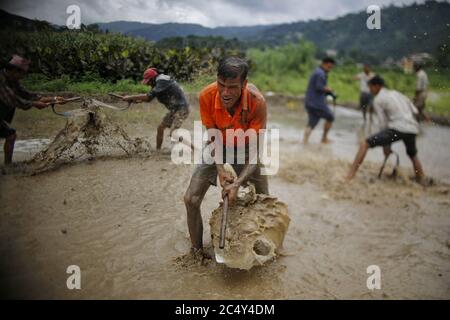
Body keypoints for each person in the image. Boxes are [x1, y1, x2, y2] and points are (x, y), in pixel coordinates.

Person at [183, 57, 268, 256]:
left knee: (265, 199)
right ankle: (196, 253)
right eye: (221, 85)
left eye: (232, 87)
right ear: (217, 80)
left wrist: (237, 183)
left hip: (247, 147)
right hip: (218, 142)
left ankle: (264, 250)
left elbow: (255, 153)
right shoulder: (206, 95)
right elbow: (213, 137)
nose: (225, 93)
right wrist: (221, 169)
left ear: (244, 85)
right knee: (191, 199)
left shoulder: (257, 103)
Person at [346, 75, 426, 185]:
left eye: (370, 88)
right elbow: (415, 111)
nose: (370, 91)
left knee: (364, 144)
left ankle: (350, 175)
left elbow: (383, 124)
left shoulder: (378, 99)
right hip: (412, 128)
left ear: (377, 86)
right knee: (413, 154)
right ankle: (420, 178)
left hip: (397, 129)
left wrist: (386, 147)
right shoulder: (397, 93)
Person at [0, 55, 63, 165]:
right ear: (15, 71)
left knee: (10, 135)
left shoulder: (12, 80)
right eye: (22, 74)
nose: (22, 77)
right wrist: (34, 104)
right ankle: (7, 167)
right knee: (11, 135)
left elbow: (28, 95)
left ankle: (7, 166)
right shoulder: (1, 81)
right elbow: (14, 100)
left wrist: (54, 99)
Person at [123, 68, 190, 150]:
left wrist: (130, 97)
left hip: (181, 109)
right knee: (160, 128)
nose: (148, 84)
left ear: (152, 79)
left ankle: (194, 149)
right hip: (175, 109)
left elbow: (148, 96)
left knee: (173, 133)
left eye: (148, 82)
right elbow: (149, 98)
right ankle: (158, 151)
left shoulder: (161, 81)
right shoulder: (159, 82)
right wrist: (135, 100)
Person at [303, 57, 337, 144]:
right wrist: (329, 89)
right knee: (330, 117)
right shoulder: (320, 73)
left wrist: (327, 90)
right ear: (324, 64)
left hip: (309, 102)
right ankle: (324, 138)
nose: (330, 69)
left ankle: (304, 142)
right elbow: (319, 87)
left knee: (312, 122)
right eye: (329, 67)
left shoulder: (317, 71)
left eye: (331, 68)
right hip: (316, 103)